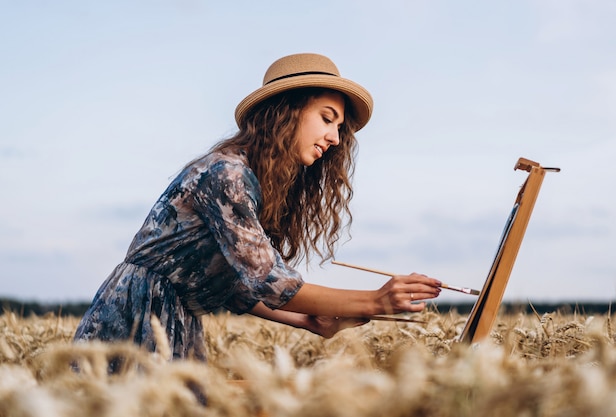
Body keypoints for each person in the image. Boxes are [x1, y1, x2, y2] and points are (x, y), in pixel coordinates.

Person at [74, 53, 442, 361]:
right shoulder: (226, 174)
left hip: (175, 321)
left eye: (339, 127)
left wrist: (308, 321)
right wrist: (377, 301)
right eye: (327, 118)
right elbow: (270, 281)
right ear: (286, 111)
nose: (334, 137)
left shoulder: (252, 179)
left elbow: (238, 284)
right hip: (134, 318)